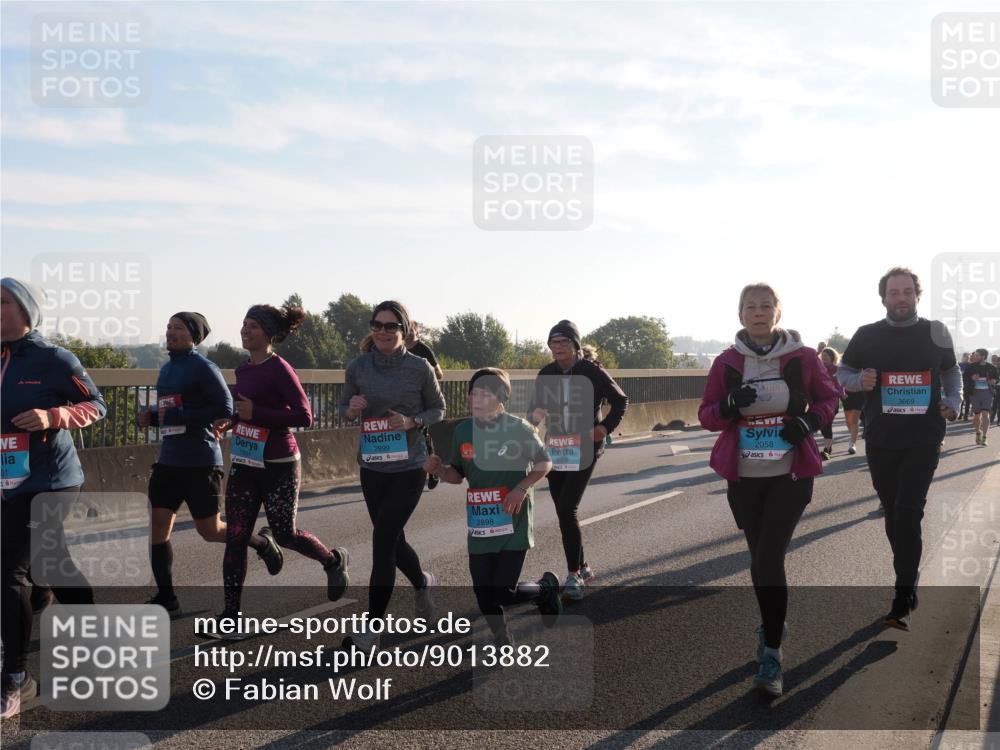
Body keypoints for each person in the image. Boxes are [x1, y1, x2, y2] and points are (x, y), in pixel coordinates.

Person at [699, 283, 838, 698]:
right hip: (743, 476)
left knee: (769, 557)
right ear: (740, 315)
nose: (757, 312)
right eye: (749, 307)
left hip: (790, 474)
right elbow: (706, 415)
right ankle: (770, 623)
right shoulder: (725, 362)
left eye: (765, 306)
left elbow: (829, 398)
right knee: (758, 561)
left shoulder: (804, 357)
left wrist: (809, 424)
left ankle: (772, 654)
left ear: (778, 312)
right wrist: (727, 406)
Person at [209, 304, 349, 637]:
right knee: (237, 536)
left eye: (253, 325)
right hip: (245, 462)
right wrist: (232, 420)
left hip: (279, 464)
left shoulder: (280, 369)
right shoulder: (243, 370)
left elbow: (304, 417)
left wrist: (258, 411)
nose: (245, 329)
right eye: (243, 323)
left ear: (269, 334)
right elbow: (246, 413)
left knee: (285, 533)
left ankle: (332, 561)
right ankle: (231, 614)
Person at [1, 278, 107, 718]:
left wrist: (53, 414)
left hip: (52, 479)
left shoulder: (52, 359)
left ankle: (15, 679)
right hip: (8, 479)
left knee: (10, 573)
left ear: (25, 311)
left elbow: (98, 405)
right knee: (51, 567)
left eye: (2, 301)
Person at [838, 267, 961, 630]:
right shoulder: (867, 335)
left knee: (908, 512)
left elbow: (951, 372)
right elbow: (842, 374)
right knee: (893, 515)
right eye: (894, 293)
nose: (901, 298)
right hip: (881, 438)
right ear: (884, 298)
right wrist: (860, 380)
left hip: (923, 436)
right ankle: (907, 574)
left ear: (917, 295)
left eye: (907, 292)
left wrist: (953, 399)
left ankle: (902, 593)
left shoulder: (935, 332)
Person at [138, 313, 282, 614]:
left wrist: (181, 417)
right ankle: (167, 597)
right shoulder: (166, 370)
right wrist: (151, 418)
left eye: (177, 328)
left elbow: (225, 408)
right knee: (158, 526)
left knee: (210, 530)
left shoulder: (204, 368)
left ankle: (261, 543)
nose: (169, 332)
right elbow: (170, 413)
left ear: (193, 335)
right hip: (168, 461)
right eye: (168, 327)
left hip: (201, 461)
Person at [424, 368, 561, 645]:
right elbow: (458, 475)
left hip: (513, 519)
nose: (476, 398)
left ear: (501, 399)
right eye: (473, 392)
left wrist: (521, 488)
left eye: (485, 394)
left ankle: (545, 588)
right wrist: (439, 470)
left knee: (503, 592)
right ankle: (502, 639)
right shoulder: (463, 431)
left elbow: (545, 463)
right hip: (481, 523)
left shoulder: (518, 428)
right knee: (483, 592)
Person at [340, 301, 446, 650]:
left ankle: (372, 630)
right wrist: (352, 410)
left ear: (404, 331)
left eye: (390, 326)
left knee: (383, 540)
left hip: (409, 467)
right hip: (372, 466)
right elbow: (344, 410)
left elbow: (438, 409)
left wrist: (412, 421)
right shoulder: (358, 366)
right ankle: (422, 583)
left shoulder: (419, 368)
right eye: (377, 325)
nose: (383, 332)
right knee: (393, 540)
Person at [527, 320, 628, 601]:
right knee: (562, 510)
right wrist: (533, 421)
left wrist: (604, 429)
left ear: (575, 345)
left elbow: (620, 401)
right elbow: (535, 408)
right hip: (556, 447)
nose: (558, 348)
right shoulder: (547, 373)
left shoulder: (590, 371)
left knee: (568, 509)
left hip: (584, 447)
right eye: (553, 343)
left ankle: (573, 575)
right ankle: (583, 567)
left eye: (563, 342)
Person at [405, 322, 444, 490]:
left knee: (423, 434)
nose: (408, 334)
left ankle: (433, 471)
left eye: (412, 331)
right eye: (406, 331)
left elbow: (439, 374)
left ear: (417, 333)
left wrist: (424, 373)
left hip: (422, 400)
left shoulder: (424, 350)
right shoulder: (397, 349)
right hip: (403, 400)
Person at [966, 348, 997, 445]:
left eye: (977, 355)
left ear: (983, 356)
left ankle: (984, 436)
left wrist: (993, 381)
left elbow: (996, 379)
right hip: (975, 393)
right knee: (977, 415)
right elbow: (964, 377)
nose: (974, 357)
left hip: (987, 393)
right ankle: (977, 433)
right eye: (974, 355)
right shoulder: (971, 367)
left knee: (985, 414)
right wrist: (971, 378)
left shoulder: (991, 367)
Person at [818, 347, 845, 460]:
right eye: (822, 356)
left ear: (832, 357)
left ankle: (827, 449)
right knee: (823, 425)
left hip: (832, 401)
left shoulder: (837, 369)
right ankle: (827, 447)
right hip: (819, 400)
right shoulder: (818, 368)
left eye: (826, 356)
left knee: (827, 424)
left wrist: (840, 393)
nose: (823, 358)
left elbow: (840, 385)